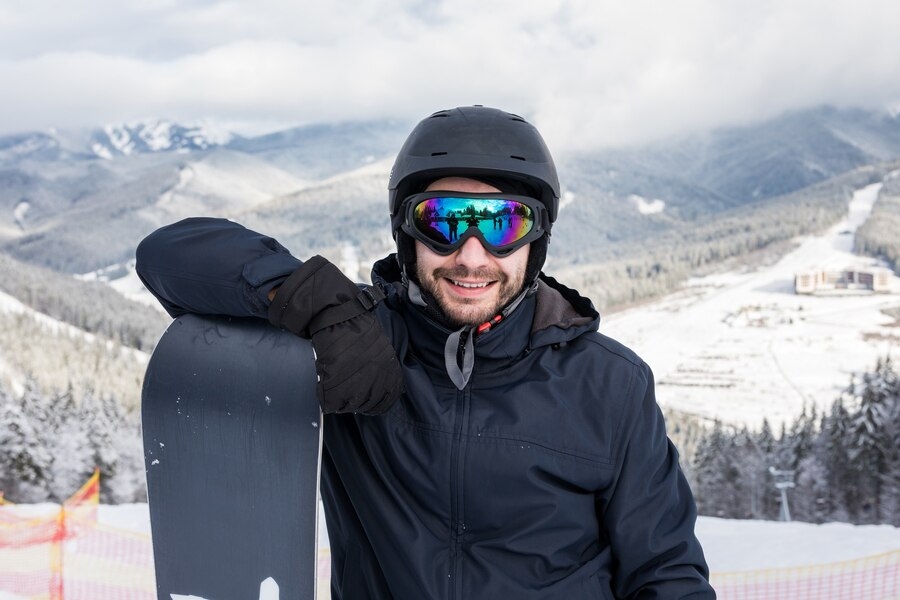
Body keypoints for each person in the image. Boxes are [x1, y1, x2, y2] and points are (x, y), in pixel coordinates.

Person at [136, 105, 715, 599]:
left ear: (536, 240)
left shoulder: (608, 385)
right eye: (440, 221)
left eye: (502, 223)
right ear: (405, 233)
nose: (470, 255)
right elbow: (168, 255)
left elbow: (666, 571)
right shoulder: (355, 343)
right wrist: (313, 303)